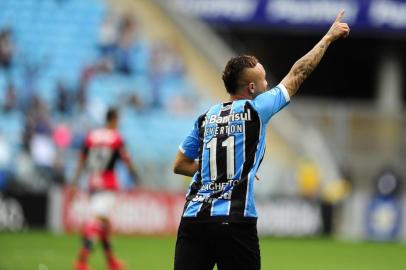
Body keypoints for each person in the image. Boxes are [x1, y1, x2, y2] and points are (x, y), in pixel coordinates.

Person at [172, 10, 350, 270]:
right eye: (264, 79)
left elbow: (179, 164)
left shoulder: (205, 117)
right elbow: (298, 73)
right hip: (235, 222)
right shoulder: (256, 109)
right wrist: (328, 38)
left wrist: (220, 166)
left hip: (194, 221)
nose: (268, 83)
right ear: (251, 88)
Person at [71, 107, 140, 270]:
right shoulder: (116, 138)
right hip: (107, 183)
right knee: (97, 220)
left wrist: (74, 182)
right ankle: (81, 261)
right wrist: (135, 176)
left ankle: (111, 261)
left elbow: (82, 161)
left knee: (105, 224)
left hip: (92, 182)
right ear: (114, 119)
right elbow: (126, 160)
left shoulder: (91, 136)